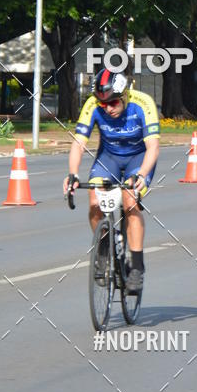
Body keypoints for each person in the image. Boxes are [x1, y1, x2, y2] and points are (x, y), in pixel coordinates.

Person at [63, 68, 160, 292]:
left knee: (129, 201)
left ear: (125, 95)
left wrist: (142, 175)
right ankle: (105, 248)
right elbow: (79, 142)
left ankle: (136, 267)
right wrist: (73, 173)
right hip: (109, 158)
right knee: (94, 198)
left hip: (139, 158)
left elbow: (153, 147)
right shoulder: (93, 105)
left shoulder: (143, 104)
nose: (107, 108)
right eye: (102, 103)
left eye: (113, 103)